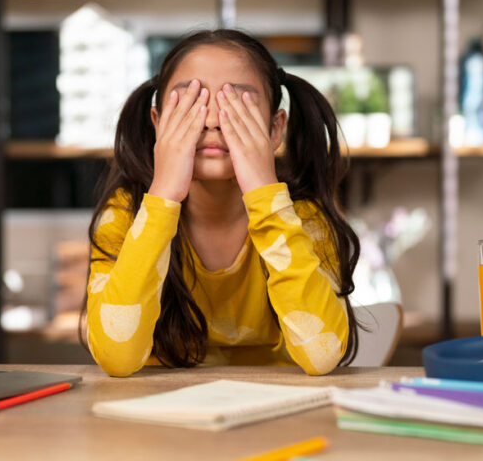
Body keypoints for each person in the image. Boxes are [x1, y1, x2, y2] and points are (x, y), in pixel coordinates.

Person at [83, 29, 360, 377]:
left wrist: (264, 191)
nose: (212, 121)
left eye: (236, 105)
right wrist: (163, 195)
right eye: (191, 104)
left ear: (275, 130)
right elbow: (116, 357)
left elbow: (322, 357)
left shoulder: (303, 219)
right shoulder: (126, 214)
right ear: (157, 123)